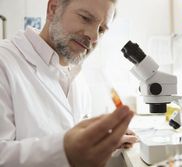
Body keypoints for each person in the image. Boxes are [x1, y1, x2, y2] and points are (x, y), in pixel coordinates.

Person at [0, 0, 138, 166]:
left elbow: (73, 135)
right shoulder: (4, 62)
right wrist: (65, 151)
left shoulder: (76, 75)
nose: (93, 37)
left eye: (101, 30)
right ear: (53, 9)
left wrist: (103, 142)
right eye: (86, 18)